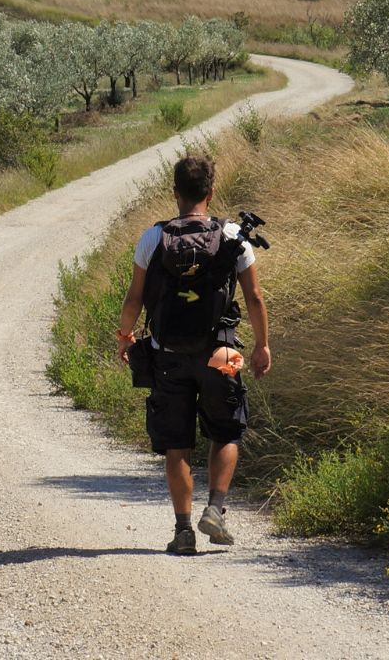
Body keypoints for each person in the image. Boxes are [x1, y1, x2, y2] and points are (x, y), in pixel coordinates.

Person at [116, 156, 269, 555]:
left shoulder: (154, 238)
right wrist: (262, 345)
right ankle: (215, 509)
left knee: (176, 444)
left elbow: (134, 299)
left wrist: (124, 338)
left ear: (175, 193)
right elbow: (253, 297)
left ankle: (183, 532)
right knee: (229, 429)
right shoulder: (233, 235)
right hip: (223, 350)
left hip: (167, 353)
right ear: (211, 192)